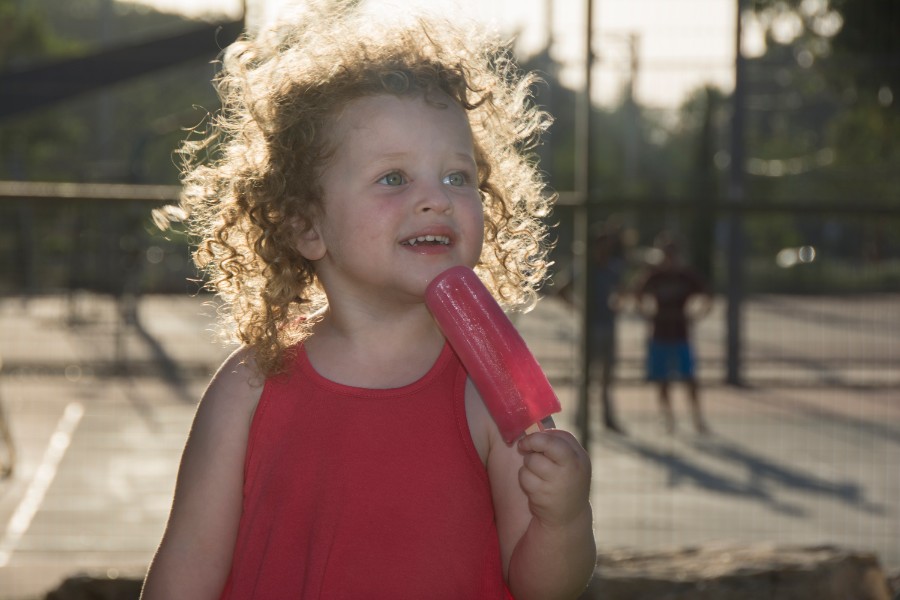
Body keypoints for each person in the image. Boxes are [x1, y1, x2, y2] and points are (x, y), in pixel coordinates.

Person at [140, 4, 595, 599]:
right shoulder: (249, 386)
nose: (436, 198)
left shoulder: (490, 388)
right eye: (393, 178)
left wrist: (563, 518)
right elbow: (185, 572)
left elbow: (544, 588)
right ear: (307, 226)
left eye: (458, 177)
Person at [634, 232, 712, 435]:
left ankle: (697, 418)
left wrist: (696, 315)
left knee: (689, 379)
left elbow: (707, 295)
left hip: (680, 333)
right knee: (662, 380)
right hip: (660, 333)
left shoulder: (686, 275)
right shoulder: (655, 275)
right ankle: (668, 419)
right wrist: (646, 313)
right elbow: (638, 292)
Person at [588, 219, 629, 435]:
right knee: (587, 374)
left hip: (608, 326)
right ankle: (582, 416)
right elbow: (563, 289)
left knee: (607, 375)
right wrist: (582, 308)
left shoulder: (613, 268)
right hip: (592, 328)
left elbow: (622, 290)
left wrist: (618, 302)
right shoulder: (587, 268)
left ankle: (607, 417)